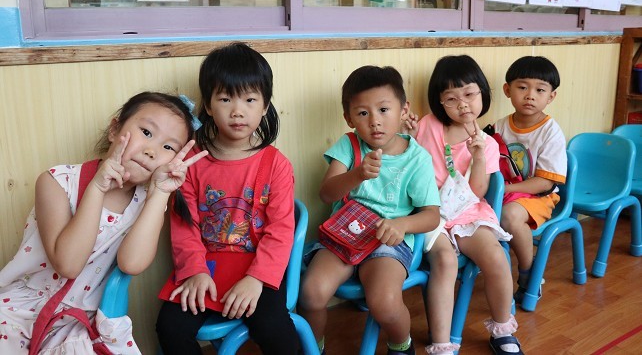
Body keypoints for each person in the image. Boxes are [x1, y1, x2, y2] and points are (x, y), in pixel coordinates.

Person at [0, 91, 208, 354]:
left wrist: (160, 194)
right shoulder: (57, 182)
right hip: (20, 311)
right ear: (114, 129)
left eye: (169, 148)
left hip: (79, 323)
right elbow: (68, 265)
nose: (151, 151)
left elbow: (131, 264)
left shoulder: (148, 202)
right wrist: (97, 188)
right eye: (146, 132)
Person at [155, 42, 300, 355]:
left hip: (258, 269)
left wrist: (257, 279)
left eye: (250, 99)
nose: (237, 111)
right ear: (208, 105)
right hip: (204, 266)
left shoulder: (276, 164)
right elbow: (184, 225)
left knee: (277, 333)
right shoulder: (191, 162)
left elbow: (280, 231)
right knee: (169, 327)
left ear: (265, 106)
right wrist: (194, 270)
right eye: (225, 99)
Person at [298, 65, 441, 355]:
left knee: (384, 303)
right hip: (344, 235)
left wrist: (402, 224)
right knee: (311, 294)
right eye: (363, 113)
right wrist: (358, 174)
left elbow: (431, 215)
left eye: (384, 110)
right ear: (349, 118)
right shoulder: (349, 145)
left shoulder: (417, 159)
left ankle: (401, 345)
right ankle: (313, 348)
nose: (375, 121)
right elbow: (326, 194)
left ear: (403, 110)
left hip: (388, 242)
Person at [406, 55, 522, 355]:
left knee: (497, 257)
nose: (463, 104)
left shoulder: (489, 143)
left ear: (482, 92)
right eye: (451, 98)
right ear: (439, 102)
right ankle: (442, 343)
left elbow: (477, 191)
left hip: (467, 211)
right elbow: (407, 162)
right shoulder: (428, 125)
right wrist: (408, 135)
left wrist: (479, 155)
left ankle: (502, 330)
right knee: (444, 263)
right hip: (429, 212)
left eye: (469, 94)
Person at [495, 56, 566, 305]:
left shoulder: (550, 131)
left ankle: (528, 273)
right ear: (507, 90)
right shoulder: (499, 126)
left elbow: (545, 183)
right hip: (504, 192)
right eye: (522, 87)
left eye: (540, 90)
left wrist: (505, 188)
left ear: (551, 96)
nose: (530, 96)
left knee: (509, 216)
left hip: (539, 196)